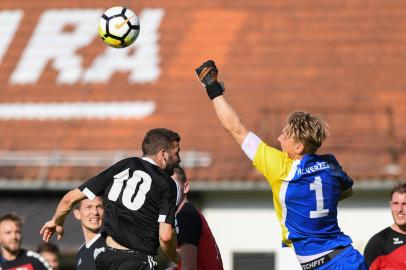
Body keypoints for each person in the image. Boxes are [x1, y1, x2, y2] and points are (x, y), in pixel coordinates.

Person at [195, 60, 367, 270]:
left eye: (285, 135)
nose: (278, 138)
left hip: (327, 264)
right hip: (347, 258)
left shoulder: (282, 168)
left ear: (299, 147)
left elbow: (235, 129)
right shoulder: (329, 164)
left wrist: (213, 89)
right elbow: (347, 192)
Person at [40, 128, 181, 270]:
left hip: (106, 259)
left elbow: (69, 199)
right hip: (137, 262)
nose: (179, 159)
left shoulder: (124, 165)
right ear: (163, 154)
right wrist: (174, 256)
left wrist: (56, 221)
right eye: (176, 153)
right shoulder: (167, 184)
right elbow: (165, 236)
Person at [171, 166, 223, 270]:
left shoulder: (185, 216)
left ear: (185, 187)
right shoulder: (190, 213)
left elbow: (189, 268)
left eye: (172, 186)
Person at [364, 181, 406, 269]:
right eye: (396, 203)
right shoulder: (378, 243)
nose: (399, 209)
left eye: (404, 204)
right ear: (390, 205)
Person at [73, 196, 105, 270]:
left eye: (99, 207)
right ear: (77, 214)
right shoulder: (80, 253)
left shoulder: (112, 244)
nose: (95, 212)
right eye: (88, 207)